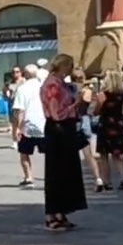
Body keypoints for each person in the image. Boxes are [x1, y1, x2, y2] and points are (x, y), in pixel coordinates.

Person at [40, 54, 87, 230]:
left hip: (65, 129)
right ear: (63, 66)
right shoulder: (52, 84)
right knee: (56, 173)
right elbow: (56, 114)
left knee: (65, 172)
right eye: (70, 65)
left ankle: (60, 211)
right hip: (58, 130)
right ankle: (51, 213)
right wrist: (77, 104)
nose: (71, 69)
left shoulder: (61, 83)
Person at [91, 69, 123, 191]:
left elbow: (96, 111)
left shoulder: (103, 95)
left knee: (104, 155)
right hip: (118, 124)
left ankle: (107, 181)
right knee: (117, 154)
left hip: (106, 125)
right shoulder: (122, 95)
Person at [70, 69, 104, 191]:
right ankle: (98, 178)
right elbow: (91, 104)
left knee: (69, 154)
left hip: (71, 123)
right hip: (84, 120)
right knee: (88, 154)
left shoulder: (69, 90)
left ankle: (71, 181)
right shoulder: (87, 91)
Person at [12, 64, 45, 187]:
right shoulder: (44, 87)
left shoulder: (22, 89)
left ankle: (28, 177)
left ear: (25, 74)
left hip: (28, 125)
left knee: (24, 152)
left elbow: (20, 110)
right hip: (44, 124)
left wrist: (18, 128)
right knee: (49, 151)